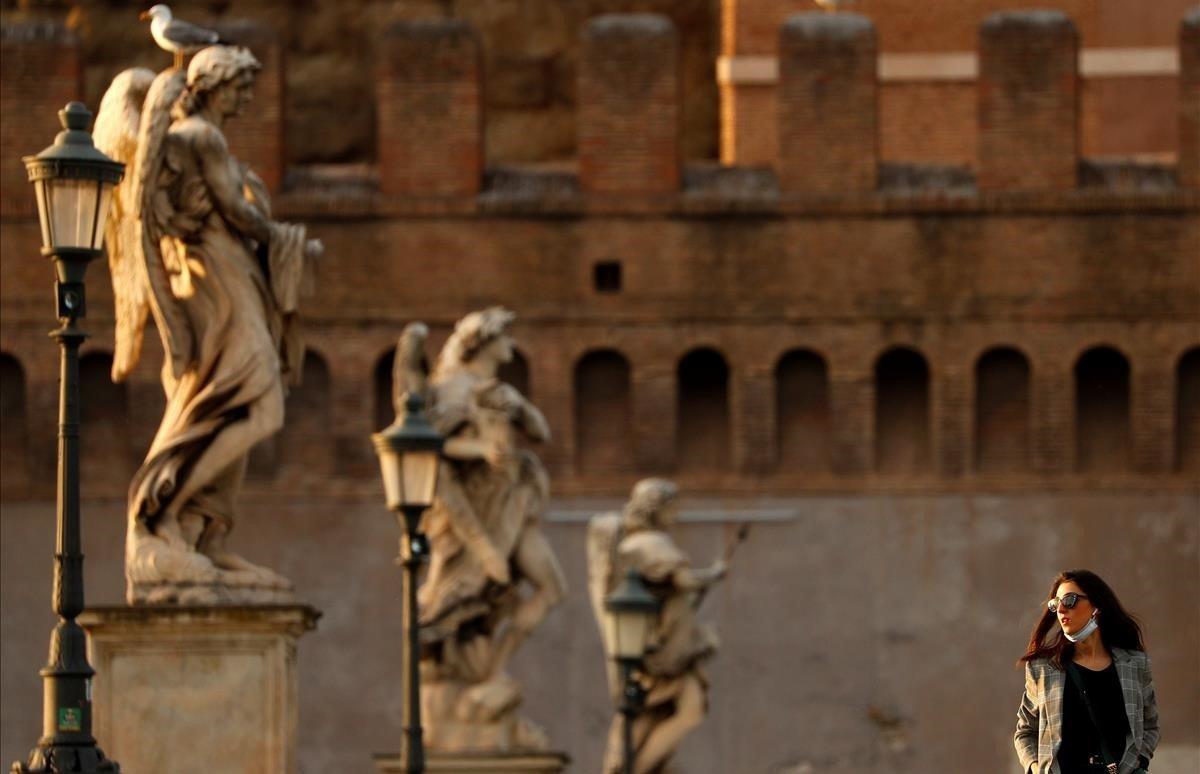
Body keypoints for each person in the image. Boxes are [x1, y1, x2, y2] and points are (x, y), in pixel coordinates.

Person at [96, 46, 322, 603]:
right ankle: (162, 514)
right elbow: (236, 210)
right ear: (215, 84)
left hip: (224, 270)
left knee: (230, 397)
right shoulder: (201, 136)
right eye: (240, 85)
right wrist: (289, 240)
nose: (246, 96)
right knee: (255, 399)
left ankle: (203, 533)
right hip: (217, 276)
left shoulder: (190, 138)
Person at [588, 478, 726, 774]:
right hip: (664, 653)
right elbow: (685, 581)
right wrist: (714, 573)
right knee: (691, 709)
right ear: (656, 508)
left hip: (651, 647)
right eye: (671, 508)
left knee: (651, 715)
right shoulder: (652, 544)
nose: (675, 515)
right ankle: (637, 769)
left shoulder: (631, 544)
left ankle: (635, 766)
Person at [1014, 569, 1159, 774]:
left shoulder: (1134, 664)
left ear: (1097, 606)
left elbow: (1150, 726)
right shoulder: (1043, 667)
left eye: (1070, 600)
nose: (1062, 609)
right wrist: (1038, 769)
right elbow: (1025, 732)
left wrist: (1140, 765)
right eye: (1056, 604)